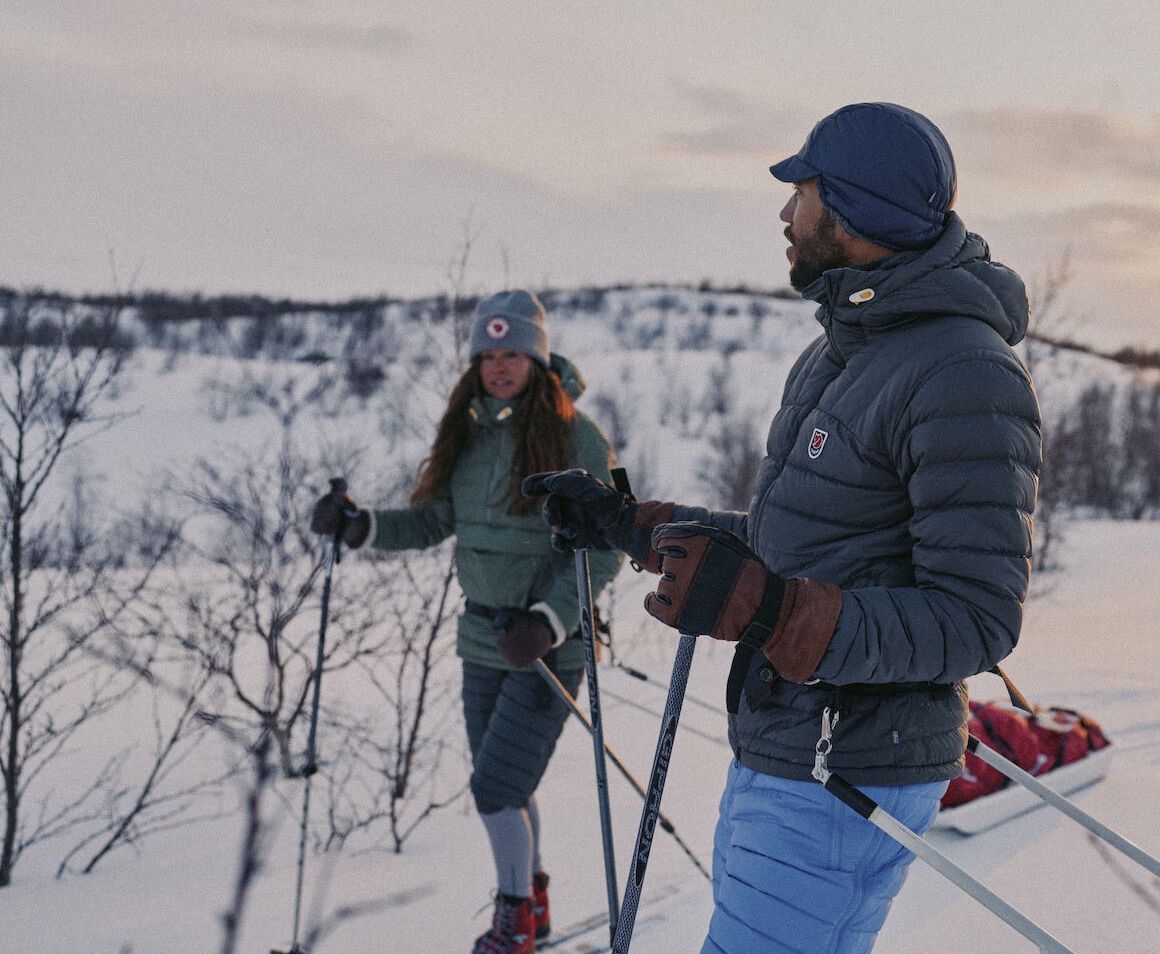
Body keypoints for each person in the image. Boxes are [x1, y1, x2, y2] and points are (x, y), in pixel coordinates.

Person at [525, 102, 1042, 954]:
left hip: (848, 771)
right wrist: (631, 523)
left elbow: (977, 620)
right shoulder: (846, 348)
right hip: (786, 746)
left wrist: (772, 615)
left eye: (800, 191)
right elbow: (789, 543)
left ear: (851, 210)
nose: (784, 213)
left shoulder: (964, 372)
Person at [311, 290, 622, 954]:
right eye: (487, 354)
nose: (498, 365)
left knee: (494, 789)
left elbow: (610, 543)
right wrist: (359, 525)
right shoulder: (470, 432)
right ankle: (533, 904)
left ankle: (512, 924)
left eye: (512, 353)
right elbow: (431, 520)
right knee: (510, 786)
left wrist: (548, 621)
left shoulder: (579, 437)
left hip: (547, 649)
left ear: (536, 359)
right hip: (481, 639)